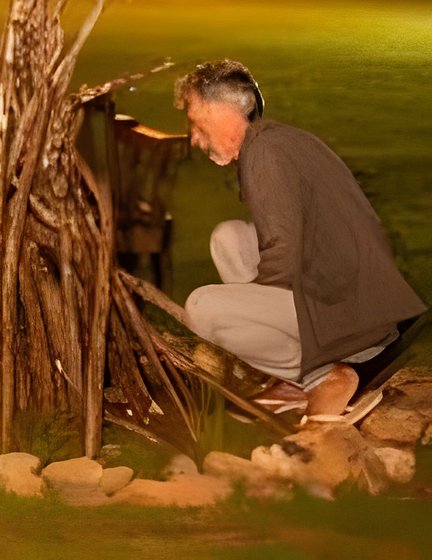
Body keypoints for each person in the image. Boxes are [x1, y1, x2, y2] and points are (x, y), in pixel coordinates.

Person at [175, 59, 426, 416]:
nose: (194, 138)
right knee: (228, 237)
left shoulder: (265, 154)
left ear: (223, 111)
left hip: (350, 317)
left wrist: (250, 312)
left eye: (196, 123)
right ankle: (296, 370)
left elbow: (283, 250)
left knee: (202, 308)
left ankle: (321, 377)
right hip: (352, 301)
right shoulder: (276, 141)